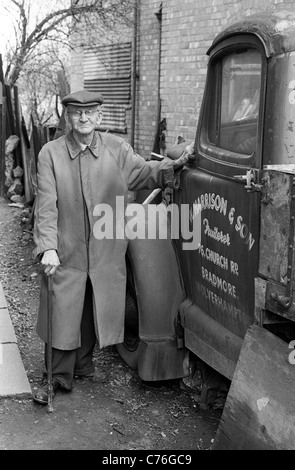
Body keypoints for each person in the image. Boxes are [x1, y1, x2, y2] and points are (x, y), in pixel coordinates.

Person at [32, 89, 193, 405]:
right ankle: (57, 377)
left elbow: (145, 172)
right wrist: (47, 246)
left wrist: (175, 166)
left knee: (94, 304)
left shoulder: (116, 149)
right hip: (68, 246)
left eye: (90, 112)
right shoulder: (50, 153)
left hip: (105, 247)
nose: (84, 118)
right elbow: (46, 204)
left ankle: (83, 365)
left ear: (99, 117)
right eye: (77, 112)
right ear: (68, 117)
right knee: (64, 307)